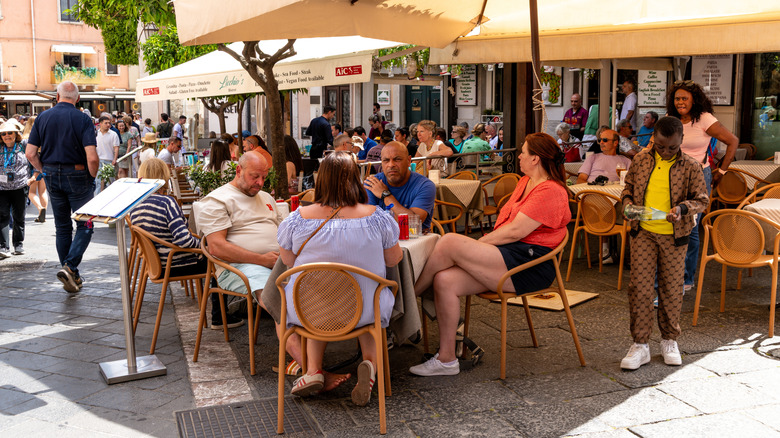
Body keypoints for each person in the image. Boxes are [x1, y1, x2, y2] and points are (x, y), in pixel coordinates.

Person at [409, 133, 571, 376]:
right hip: (508, 255)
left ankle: (407, 301)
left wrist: (480, 243)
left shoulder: (550, 191)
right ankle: (446, 359)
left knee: (449, 241)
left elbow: (515, 231)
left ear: (536, 158)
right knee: (444, 280)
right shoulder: (525, 182)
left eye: (524, 152)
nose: (519, 156)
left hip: (531, 264)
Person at [277, 151, 402, 403]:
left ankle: (313, 370)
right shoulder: (377, 217)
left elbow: (288, 262)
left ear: (320, 181)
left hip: (310, 311)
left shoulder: (295, 220)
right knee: (370, 291)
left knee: (318, 294)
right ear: (355, 180)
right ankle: (370, 366)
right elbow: (393, 260)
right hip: (366, 310)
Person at [619, 116, 708, 370]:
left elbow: (702, 200)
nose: (666, 151)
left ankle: (669, 339)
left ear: (681, 140)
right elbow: (628, 188)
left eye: (672, 147)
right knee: (640, 288)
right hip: (644, 231)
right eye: (660, 145)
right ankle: (640, 344)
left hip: (674, 235)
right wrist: (626, 204)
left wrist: (682, 208)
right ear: (652, 139)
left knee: (671, 288)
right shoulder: (641, 160)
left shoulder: (692, 166)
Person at [25, 81, 99, 293]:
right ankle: (70, 267)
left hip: (52, 174)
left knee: (63, 226)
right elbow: (92, 158)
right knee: (86, 224)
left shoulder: (42, 117)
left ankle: (70, 273)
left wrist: (43, 170)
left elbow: (30, 154)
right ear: (77, 99)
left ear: (56, 97)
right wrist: (91, 177)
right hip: (77, 174)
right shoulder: (83, 118)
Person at [665, 80, 739, 291]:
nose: (680, 102)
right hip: (673, 175)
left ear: (694, 100)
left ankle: (687, 279)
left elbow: (733, 141)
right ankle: (672, 273)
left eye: (684, 98)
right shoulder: (671, 120)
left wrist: (722, 172)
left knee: (692, 226)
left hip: (698, 175)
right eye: (677, 98)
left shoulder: (704, 118)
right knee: (672, 221)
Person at [195, 151, 281, 329]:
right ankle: (302, 348)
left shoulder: (266, 198)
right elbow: (217, 248)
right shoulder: (218, 200)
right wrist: (262, 259)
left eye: (264, 177)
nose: (260, 183)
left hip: (277, 261)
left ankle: (310, 339)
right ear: (238, 170)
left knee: (315, 285)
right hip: (240, 266)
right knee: (280, 301)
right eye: (255, 176)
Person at [364, 141, 435, 232]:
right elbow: (368, 224)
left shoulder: (425, 185)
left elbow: (413, 223)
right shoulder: (372, 183)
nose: (391, 165)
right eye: (386, 160)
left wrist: (385, 195)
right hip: (381, 242)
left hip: (415, 243)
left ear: (409, 161)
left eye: (397, 159)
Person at [0, 121, 29, 258]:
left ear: (16, 134)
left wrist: (34, 176)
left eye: (10, 133)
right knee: (3, 216)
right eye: (3, 133)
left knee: (19, 216)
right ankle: (3, 246)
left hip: (20, 187)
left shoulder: (23, 145)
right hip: (1, 188)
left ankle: (18, 244)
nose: (7, 136)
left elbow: (35, 158)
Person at [23, 116, 48, 223]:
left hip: (32, 168)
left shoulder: (26, 139)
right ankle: (43, 214)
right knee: (43, 192)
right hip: (44, 167)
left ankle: (40, 208)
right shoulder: (44, 136)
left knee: (31, 192)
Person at [95, 115, 120, 193]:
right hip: (98, 160)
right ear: (100, 124)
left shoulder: (113, 134)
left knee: (109, 182)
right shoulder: (95, 133)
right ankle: (97, 198)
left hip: (109, 160)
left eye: (109, 123)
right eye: (106, 123)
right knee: (98, 182)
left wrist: (114, 159)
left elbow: (116, 147)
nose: (108, 125)